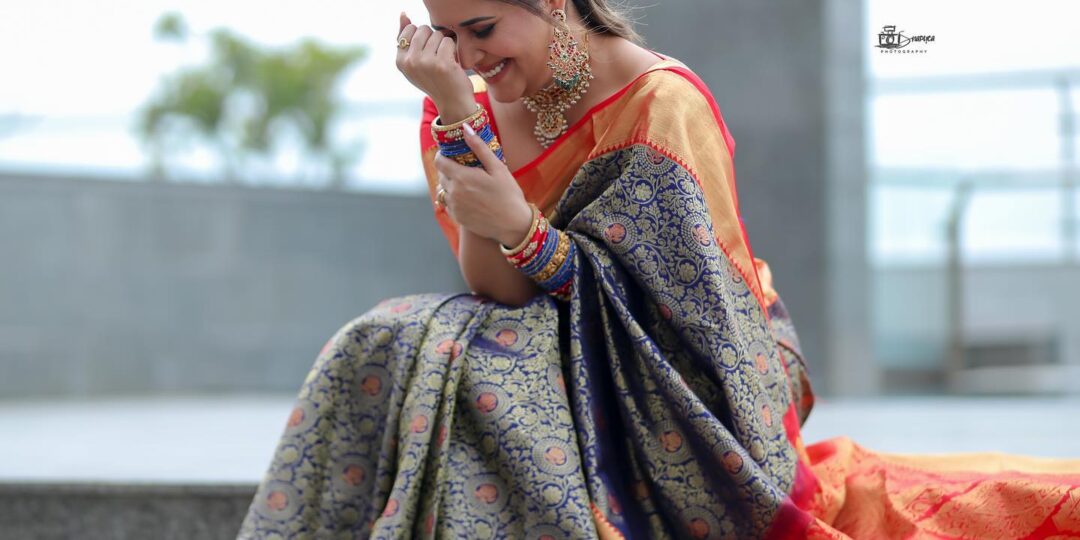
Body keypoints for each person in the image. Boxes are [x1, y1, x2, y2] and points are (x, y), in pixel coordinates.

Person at [237, 1, 1080, 538]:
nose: (465, 58)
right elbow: (495, 290)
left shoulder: (656, 103)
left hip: (704, 384)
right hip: (557, 341)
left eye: (483, 31)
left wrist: (528, 233)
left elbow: (687, 319)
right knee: (392, 341)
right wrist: (465, 120)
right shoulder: (455, 103)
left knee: (486, 376)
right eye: (446, 35)